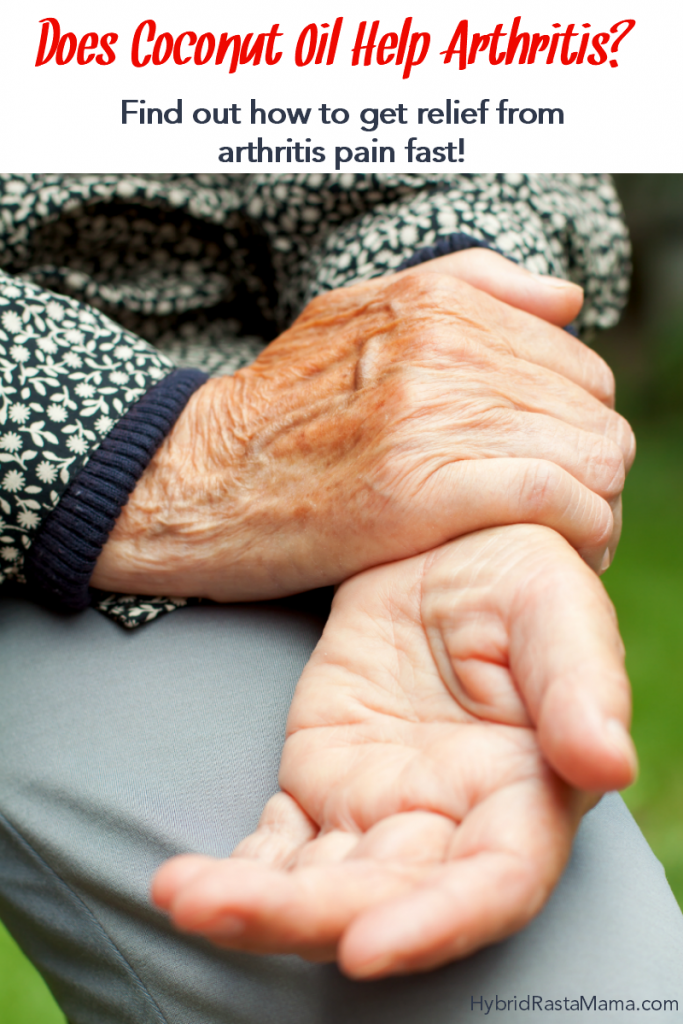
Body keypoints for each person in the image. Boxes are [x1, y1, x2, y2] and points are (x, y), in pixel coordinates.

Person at [0, 173, 681, 1024]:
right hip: (87, 512)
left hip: (286, 424)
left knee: (581, 998)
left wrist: (450, 366)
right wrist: (148, 452)